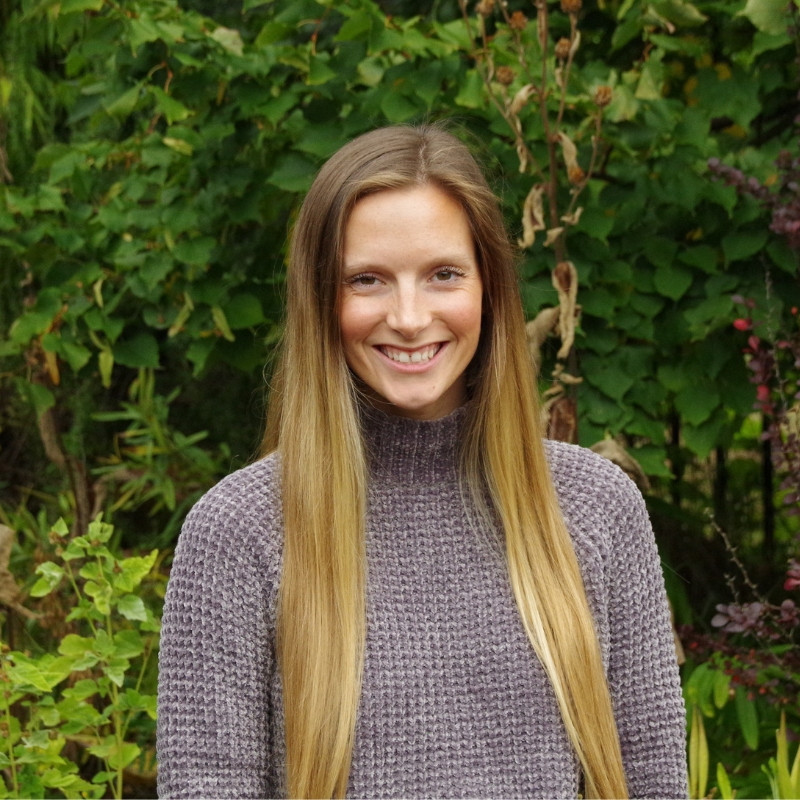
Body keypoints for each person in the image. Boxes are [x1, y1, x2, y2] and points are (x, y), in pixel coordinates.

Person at [157, 125, 688, 799]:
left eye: (443, 274)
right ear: (321, 299)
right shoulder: (241, 532)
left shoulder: (593, 508)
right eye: (368, 279)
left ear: (489, 289)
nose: (409, 318)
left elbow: (654, 779)